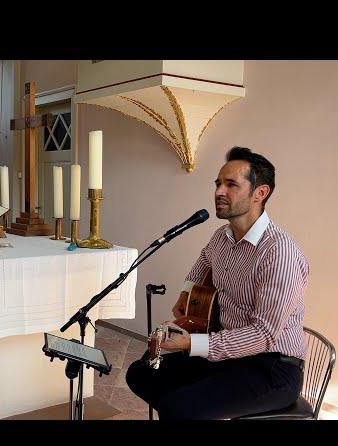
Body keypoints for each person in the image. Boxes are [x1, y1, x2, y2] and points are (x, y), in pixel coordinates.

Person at [126, 146, 309, 420]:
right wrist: (185, 301)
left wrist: (192, 344)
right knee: (140, 373)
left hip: (271, 368)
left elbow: (264, 334)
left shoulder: (278, 252)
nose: (219, 192)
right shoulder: (221, 236)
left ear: (261, 193)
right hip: (229, 354)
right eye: (218, 183)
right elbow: (203, 262)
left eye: (231, 184)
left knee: (180, 407)